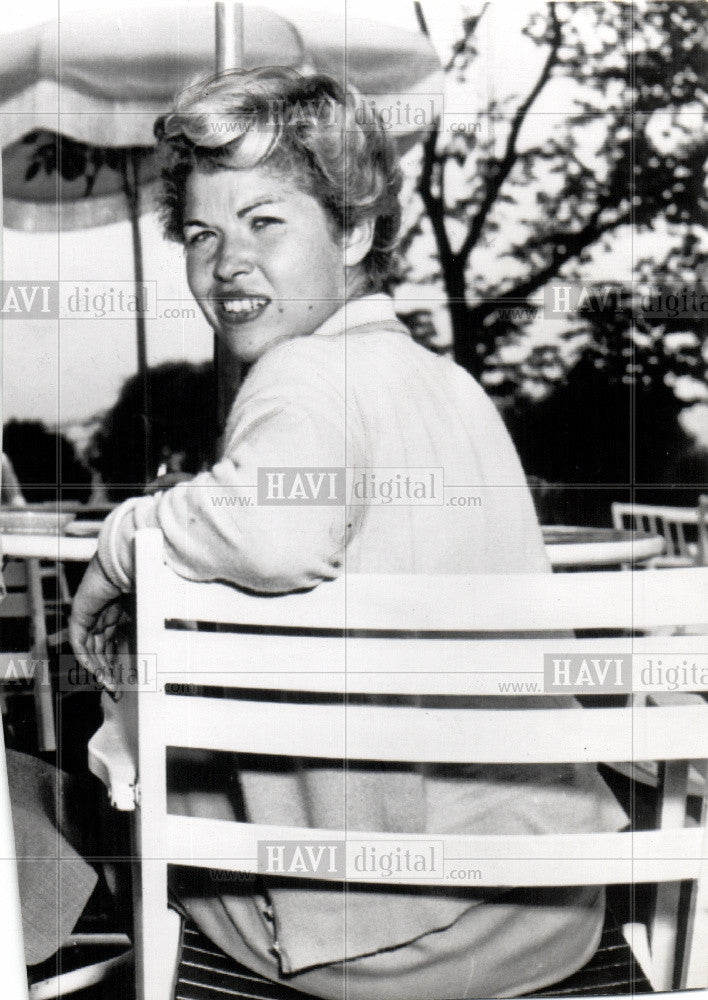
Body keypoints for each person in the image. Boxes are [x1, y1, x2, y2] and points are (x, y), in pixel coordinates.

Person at [69, 68, 626, 999]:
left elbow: (278, 538)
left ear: (356, 231)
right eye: (202, 234)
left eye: (265, 221)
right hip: (550, 908)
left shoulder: (300, 373)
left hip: (390, 937)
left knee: (125, 793)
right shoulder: (453, 386)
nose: (226, 262)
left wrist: (128, 535)